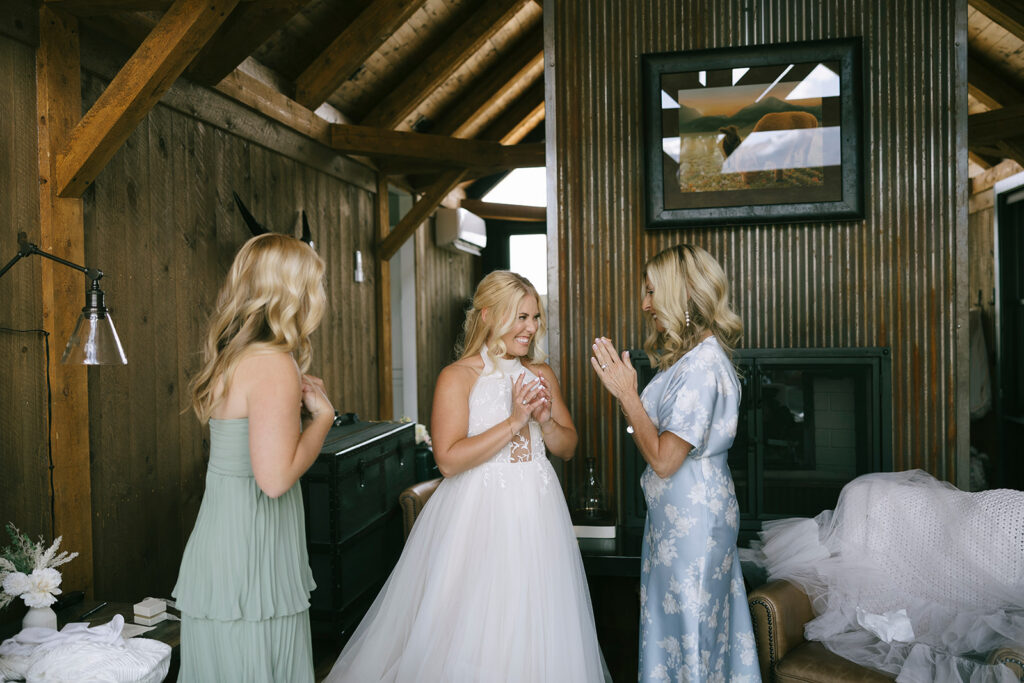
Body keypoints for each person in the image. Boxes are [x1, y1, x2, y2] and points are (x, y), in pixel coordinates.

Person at [326, 270, 609, 683]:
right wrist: (515, 421)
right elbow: (449, 460)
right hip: (478, 515)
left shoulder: (542, 374)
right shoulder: (457, 377)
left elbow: (568, 447)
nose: (531, 328)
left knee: (535, 616)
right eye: (520, 317)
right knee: (476, 622)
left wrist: (546, 422)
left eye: (535, 318)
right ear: (489, 315)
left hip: (537, 511)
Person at [591, 244, 761, 682]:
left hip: (693, 524)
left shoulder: (702, 366)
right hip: (675, 521)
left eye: (651, 291)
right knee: (685, 629)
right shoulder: (688, 360)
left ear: (682, 293)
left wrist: (629, 396)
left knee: (693, 630)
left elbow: (665, 461)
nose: (645, 304)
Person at [173, 233, 335, 682]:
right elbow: (275, 478)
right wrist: (321, 420)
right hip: (251, 555)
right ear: (293, 292)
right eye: (314, 285)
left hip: (230, 544)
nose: (319, 296)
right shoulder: (272, 363)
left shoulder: (238, 356)